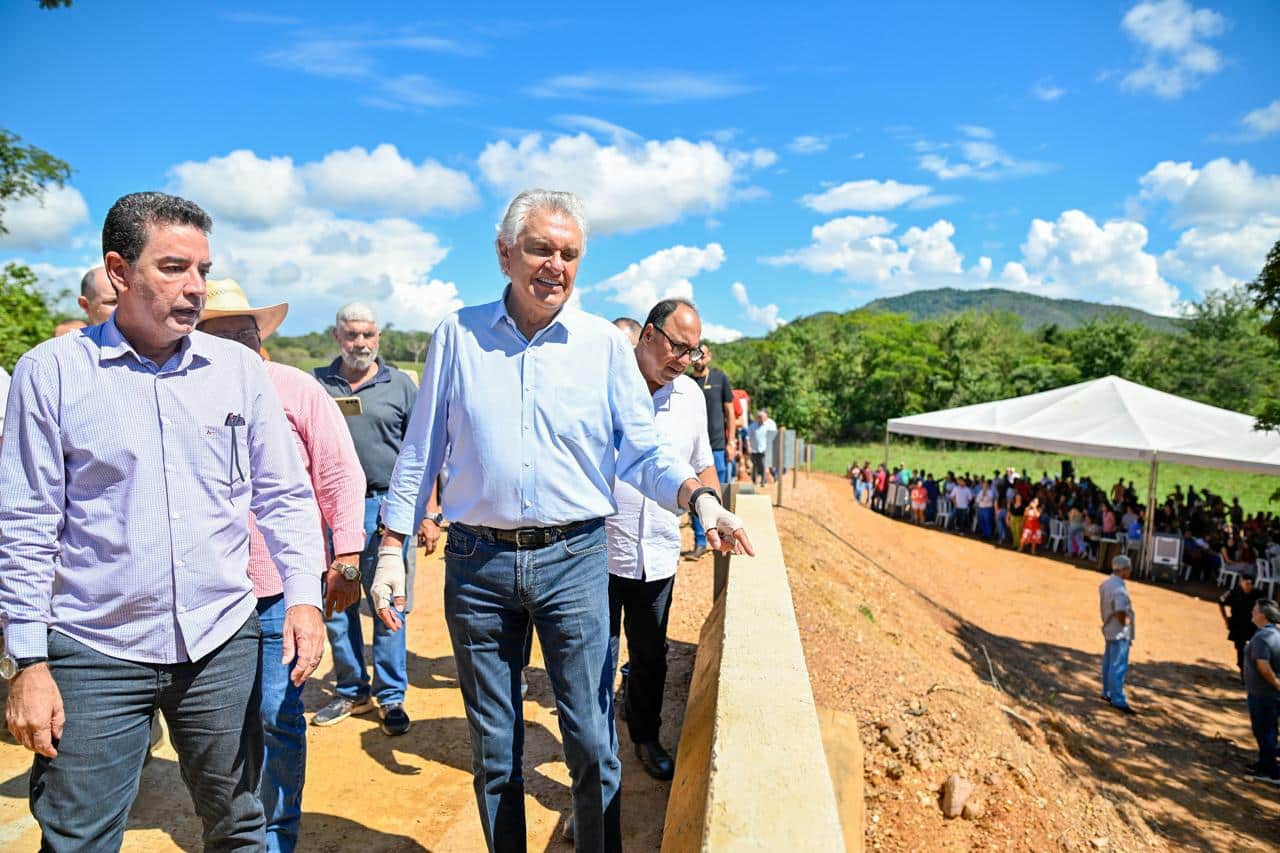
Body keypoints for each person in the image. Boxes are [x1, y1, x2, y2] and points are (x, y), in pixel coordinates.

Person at [368, 189, 753, 852]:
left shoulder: (602, 344)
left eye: (569, 252)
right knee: (494, 748)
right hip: (476, 565)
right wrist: (389, 551)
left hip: (575, 561)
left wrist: (698, 498)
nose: (555, 264)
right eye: (541, 247)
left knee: (591, 740)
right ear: (505, 252)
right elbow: (420, 449)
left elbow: (643, 449)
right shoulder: (458, 336)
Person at [0, 192, 326, 850]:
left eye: (203, 269)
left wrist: (304, 596)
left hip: (220, 643)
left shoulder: (236, 370)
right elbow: (25, 524)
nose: (196, 287)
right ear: (119, 270)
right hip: (94, 651)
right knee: (77, 837)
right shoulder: (51, 373)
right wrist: (27, 663)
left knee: (239, 824)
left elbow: (284, 492)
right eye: (175, 267)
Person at [197, 279, 366, 852]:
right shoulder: (181, 393)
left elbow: (340, 473)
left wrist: (345, 559)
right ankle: (235, 833)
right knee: (218, 729)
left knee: (277, 714)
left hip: (277, 591)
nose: (237, 348)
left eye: (244, 335)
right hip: (205, 596)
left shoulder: (294, 388)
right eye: (218, 337)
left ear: (258, 338)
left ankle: (276, 836)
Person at [607, 298, 718, 785]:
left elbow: (702, 462)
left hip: (656, 549)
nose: (682, 359)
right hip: (597, 551)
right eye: (677, 345)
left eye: (692, 352)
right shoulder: (605, 386)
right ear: (648, 335)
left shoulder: (690, 397)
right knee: (596, 657)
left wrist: (711, 505)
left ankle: (645, 738)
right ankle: (595, 756)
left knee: (650, 656)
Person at [311, 302, 419, 736]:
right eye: (353, 335)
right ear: (337, 337)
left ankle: (390, 696)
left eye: (369, 335)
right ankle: (352, 690)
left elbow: (420, 454)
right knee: (339, 602)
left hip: (385, 506)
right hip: (330, 509)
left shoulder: (401, 385)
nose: (361, 343)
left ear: (379, 338)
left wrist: (426, 513)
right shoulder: (316, 385)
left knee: (388, 601)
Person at [688, 346, 735, 558]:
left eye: (703, 354)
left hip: (716, 444)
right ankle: (699, 541)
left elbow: (730, 412)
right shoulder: (687, 382)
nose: (700, 358)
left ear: (710, 357)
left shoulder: (719, 378)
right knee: (695, 494)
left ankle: (723, 537)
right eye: (696, 354)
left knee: (718, 492)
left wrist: (731, 441)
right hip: (693, 446)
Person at [1244, 599, 1280, 785]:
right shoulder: (1275, 634)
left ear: (1263, 615)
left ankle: (1271, 771)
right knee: (1269, 729)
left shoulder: (1262, 638)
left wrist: (1276, 684)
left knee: (1264, 731)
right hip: (1269, 694)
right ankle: (1264, 764)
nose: (1252, 612)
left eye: (1255, 609)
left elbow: (1263, 667)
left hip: (1263, 693)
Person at [1099, 554, 1137, 715]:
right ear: (1123, 570)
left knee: (1108, 662)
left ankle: (1107, 691)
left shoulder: (1106, 584)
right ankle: (1118, 698)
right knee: (1118, 665)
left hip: (1109, 628)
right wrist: (1125, 624)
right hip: (1119, 631)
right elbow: (1120, 610)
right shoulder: (1120, 589)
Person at [748, 409, 777, 487]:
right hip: (755, 449)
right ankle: (754, 481)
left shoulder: (771, 424)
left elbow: (773, 437)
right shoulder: (753, 425)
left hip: (765, 449)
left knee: (763, 464)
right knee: (755, 465)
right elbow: (748, 437)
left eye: (762, 417)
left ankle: (763, 482)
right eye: (759, 417)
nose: (760, 418)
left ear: (766, 417)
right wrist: (749, 446)